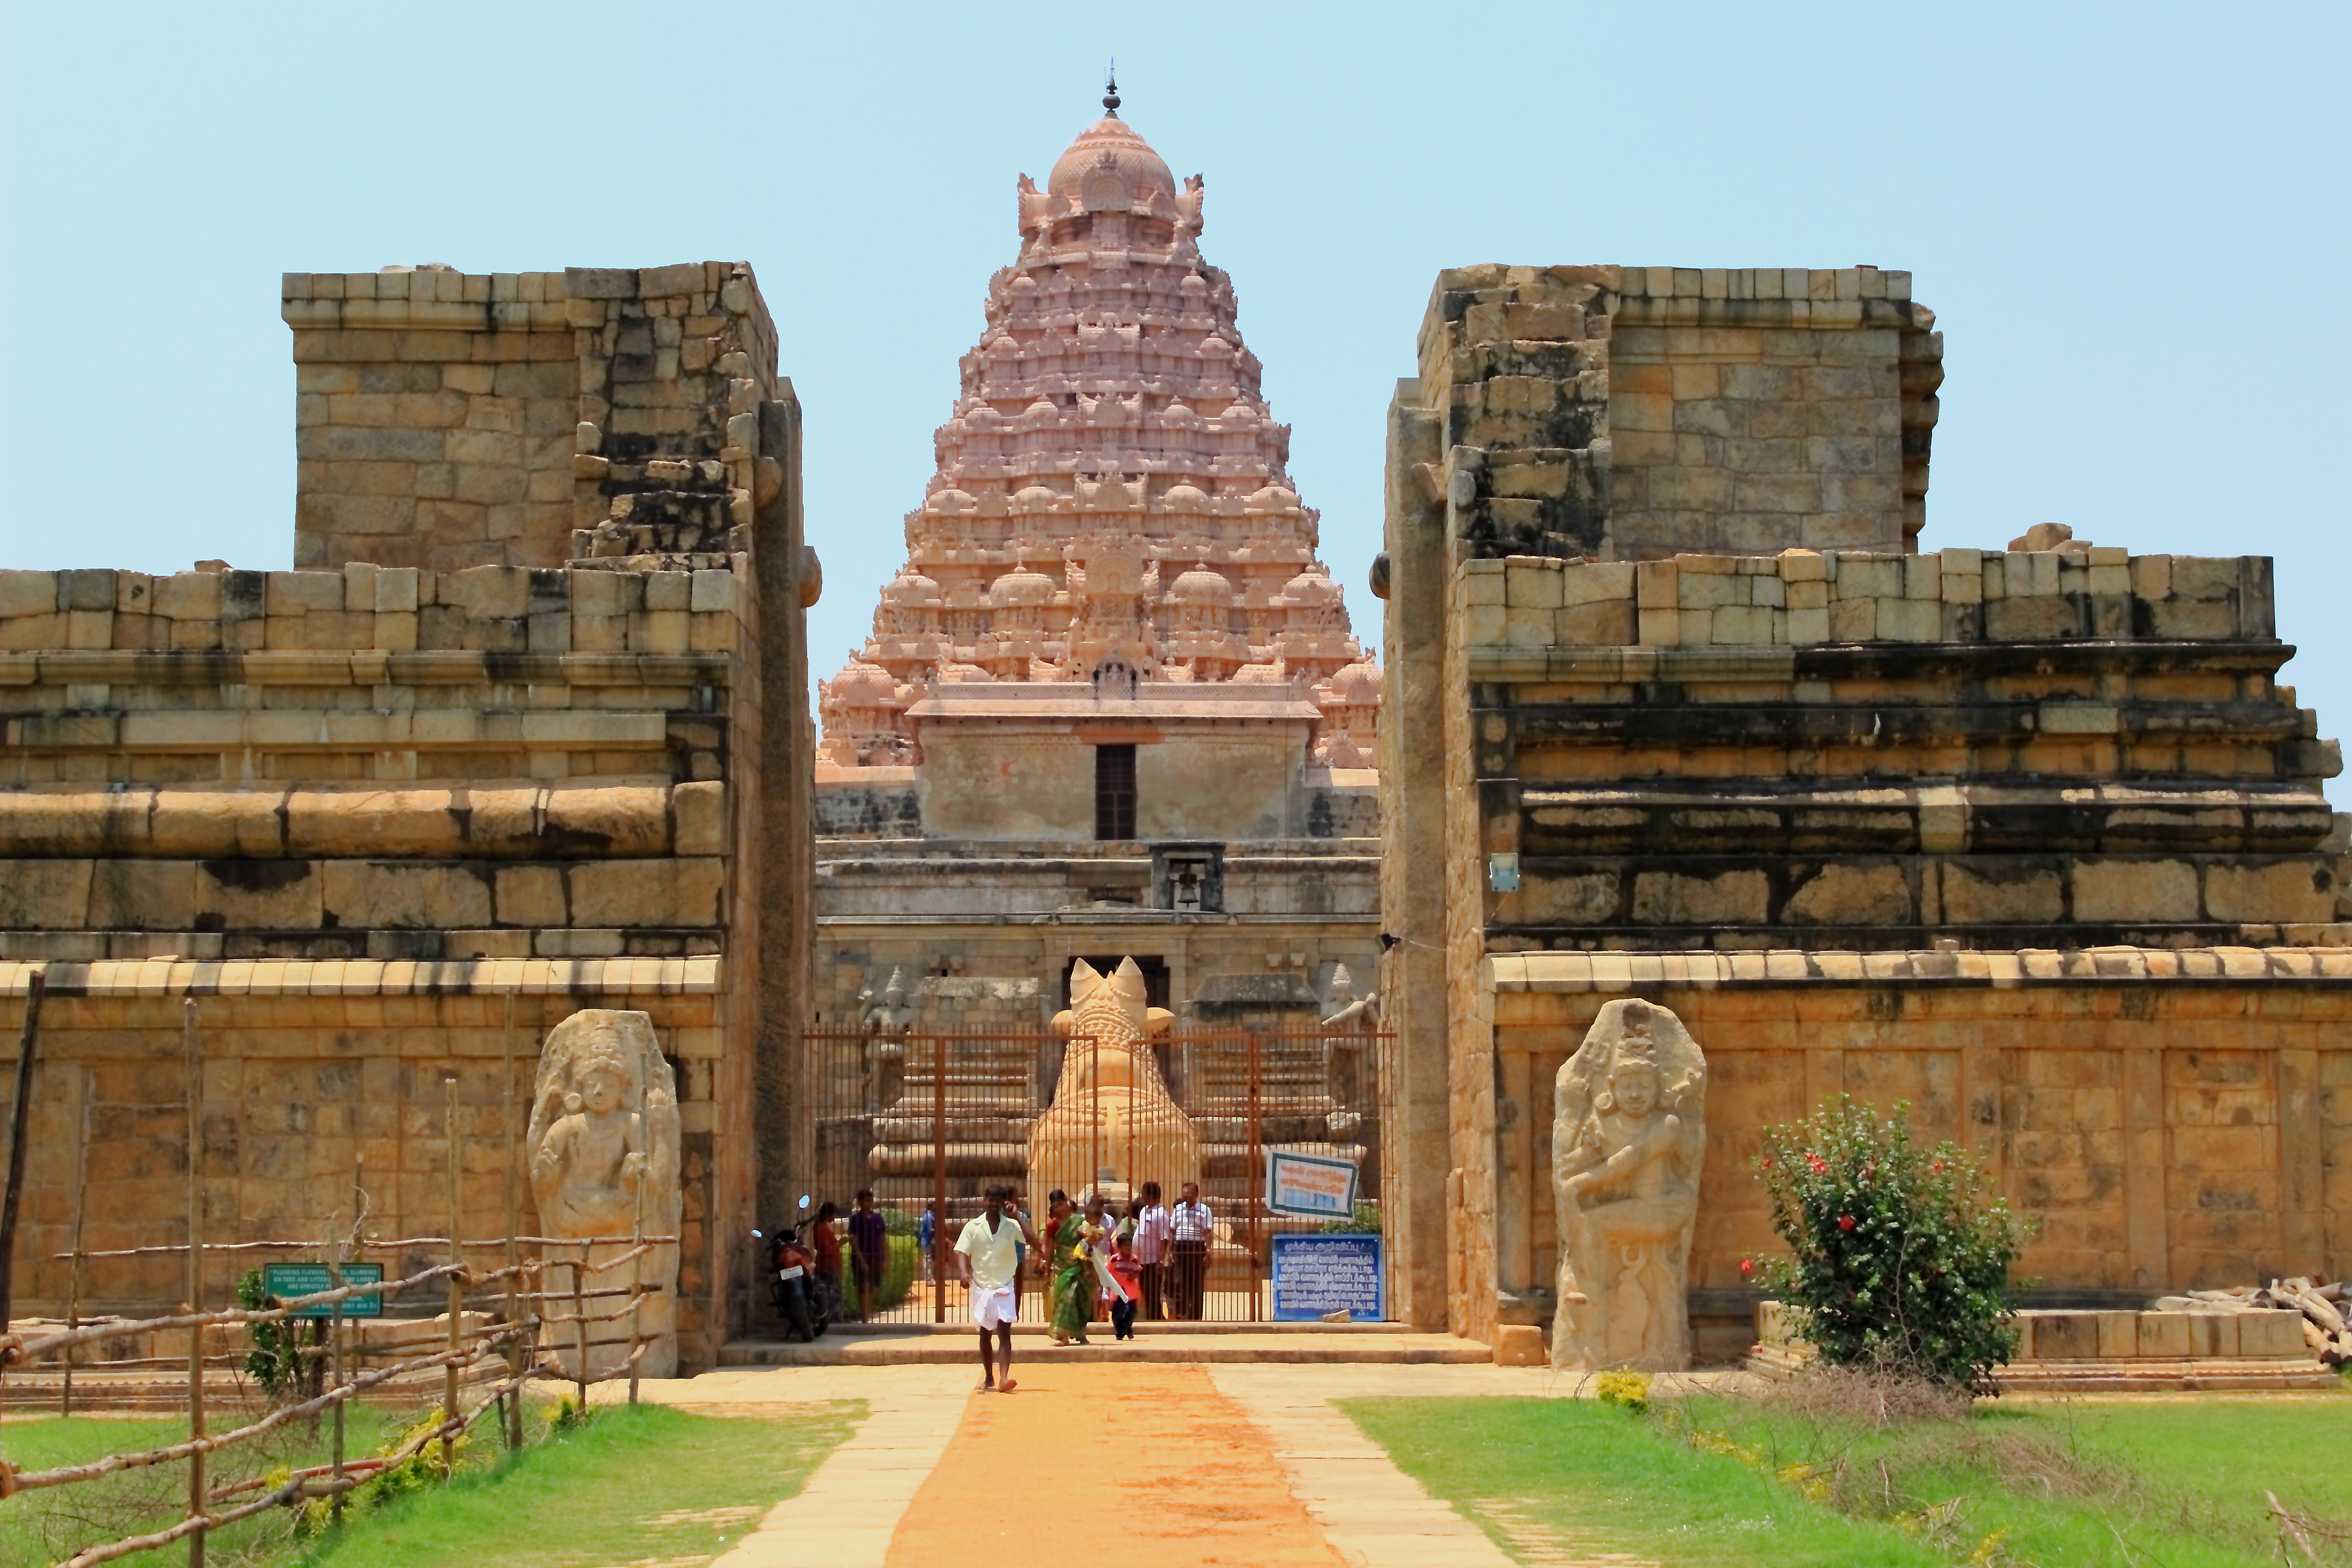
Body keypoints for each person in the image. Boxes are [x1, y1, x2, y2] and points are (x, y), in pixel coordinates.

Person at [955, 1184, 1039, 1393]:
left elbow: (1034, 1242)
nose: (993, 1204)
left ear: (1004, 1203)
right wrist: (964, 1273)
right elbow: (961, 1252)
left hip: (1004, 1285)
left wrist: (1019, 1217)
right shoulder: (973, 1227)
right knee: (985, 1333)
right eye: (990, 1200)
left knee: (1005, 1331)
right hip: (981, 1287)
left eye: (998, 1201)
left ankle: (1004, 1377)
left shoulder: (1012, 1226)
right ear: (984, 1201)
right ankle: (990, 1377)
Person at [1040, 1190, 1085, 1344]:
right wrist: (1047, 1272)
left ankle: (1080, 1334)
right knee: (1066, 1298)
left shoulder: (1079, 1222)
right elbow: (1050, 1249)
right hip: (1062, 1267)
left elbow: (1086, 1243)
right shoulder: (1053, 1226)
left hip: (1079, 1265)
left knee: (1079, 1300)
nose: (1059, 1208)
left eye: (1061, 1204)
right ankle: (1063, 1336)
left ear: (1067, 1201)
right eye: (1055, 1206)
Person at [1168, 1181, 1212, 1321]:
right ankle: (1182, 1314)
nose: (1187, 1197)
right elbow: (1172, 1230)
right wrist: (1171, 1250)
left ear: (1197, 1195)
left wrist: (1209, 1251)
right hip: (1180, 1248)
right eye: (1185, 1194)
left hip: (1197, 1248)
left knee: (1196, 1283)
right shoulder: (1178, 1209)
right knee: (1180, 1282)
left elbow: (1208, 1232)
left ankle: (1196, 1316)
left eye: (1190, 1194)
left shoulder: (1205, 1210)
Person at [1131, 1181, 1171, 1322]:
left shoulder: (1161, 1214)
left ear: (1151, 1195)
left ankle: (1157, 1320)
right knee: (1146, 1293)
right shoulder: (1144, 1211)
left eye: (1144, 1194)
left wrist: (1161, 1261)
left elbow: (1164, 1239)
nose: (1142, 1197)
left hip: (1154, 1261)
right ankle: (1153, 1318)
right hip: (1141, 1261)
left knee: (1153, 1294)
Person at [848, 1189, 888, 1321]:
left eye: (871, 1200)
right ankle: (864, 1317)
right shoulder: (855, 1220)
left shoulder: (878, 1218)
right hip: (862, 1257)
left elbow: (883, 1239)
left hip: (875, 1256)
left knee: (871, 1287)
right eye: (867, 1200)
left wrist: (884, 1259)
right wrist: (861, 1260)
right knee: (863, 1287)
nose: (870, 1203)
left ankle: (868, 1315)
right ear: (860, 1202)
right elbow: (854, 1241)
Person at [812, 1200, 845, 1323]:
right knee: (831, 1294)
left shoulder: (822, 1227)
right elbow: (825, 1250)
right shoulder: (821, 1229)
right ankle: (832, 1319)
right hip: (827, 1265)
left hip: (829, 1265)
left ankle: (832, 1318)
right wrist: (840, 1243)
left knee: (832, 1292)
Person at [1106, 1232, 1142, 1341]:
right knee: (1117, 1313)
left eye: (1130, 1246)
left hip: (1130, 1291)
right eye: (1126, 1246)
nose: (1128, 1248)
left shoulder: (1134, 1259)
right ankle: (1119, 1331)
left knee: (1130, 1311)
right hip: (1117, 1291)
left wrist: (1134, 1276)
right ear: (1119, 1247)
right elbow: (1108, 1273)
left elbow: (1138, 1270)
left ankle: (1128, 1327)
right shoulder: (1114, 1260)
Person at [918, 1200, 938, 1283]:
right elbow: (930, 1230)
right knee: (928, 1261)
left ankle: (931, 1279)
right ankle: (929, 1280)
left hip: (929, 1242)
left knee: (930, 1261)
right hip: (927, 1242)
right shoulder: (929, 1217)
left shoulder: (931, 1216)